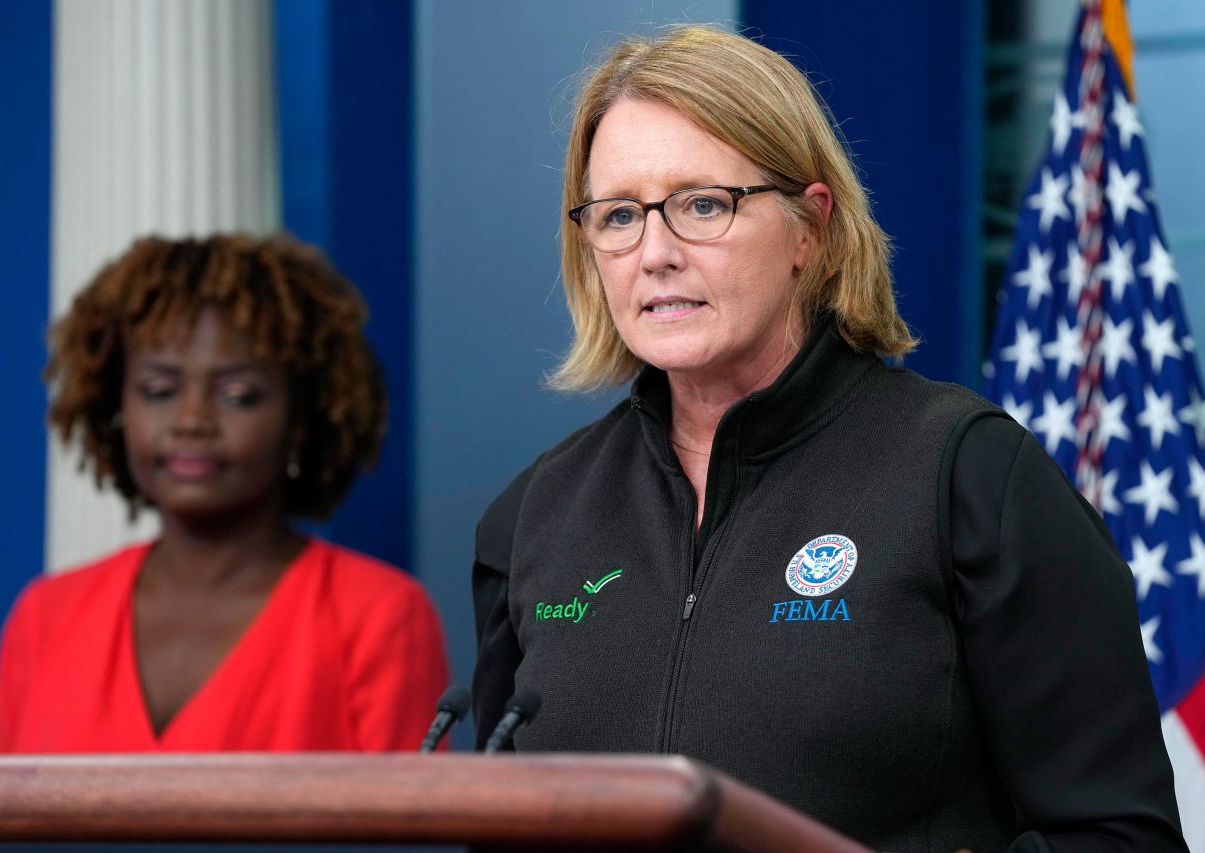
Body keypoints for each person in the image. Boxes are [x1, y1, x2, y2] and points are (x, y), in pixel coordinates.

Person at [471, 25, 1186, 851]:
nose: (655, 253)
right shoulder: (532, 517)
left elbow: (1121, 837)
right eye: (620, 215)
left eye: (703, 204)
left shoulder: (969, 475)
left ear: (810, 228)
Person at [0, 234, 448, 752]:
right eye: (159, 391)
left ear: (299, 420)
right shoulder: (44, 618)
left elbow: (405, 832)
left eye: (239, 395)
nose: (191, 421)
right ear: (116, 407)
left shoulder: (378, 617)